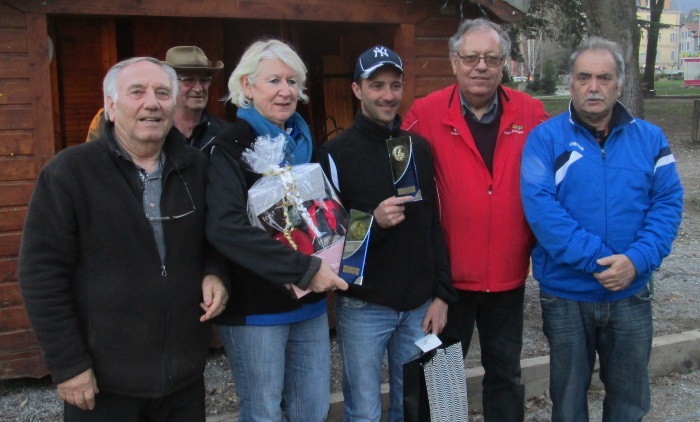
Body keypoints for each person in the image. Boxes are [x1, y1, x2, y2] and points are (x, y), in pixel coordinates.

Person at [18, 57, 229, 421]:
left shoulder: (197, 168)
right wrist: (68, 364)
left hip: (183, 380)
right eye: (137, 92)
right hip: (103, 384)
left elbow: (216, 238)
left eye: (163, 93)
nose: (152, 103)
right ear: (111, 107)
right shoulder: (69, 174)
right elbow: (41, 276)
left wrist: (215, 272)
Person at [520, 37, 684, 421]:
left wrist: (635, 261)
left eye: (604, 78)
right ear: (571, 83)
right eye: (584, 77)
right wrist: (603, 262)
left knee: (629, 402)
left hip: (631, 293)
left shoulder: (651, 139)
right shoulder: (545, 140)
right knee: (569, 402)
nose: (594, 86)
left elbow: (667, 206)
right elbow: (544, 214)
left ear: (620, 85)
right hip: (566, 297)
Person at [401, 18, 548, 421]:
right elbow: (401, 188)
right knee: (443, 379)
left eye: (491, 57)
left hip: (507, 276)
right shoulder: (425, 113)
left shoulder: (531, 112)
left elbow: (555, 185)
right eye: (471, 57)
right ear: (454, 61)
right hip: (449, 284)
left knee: (505, 374)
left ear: (504, 63)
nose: (480, 66)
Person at [205, 39, 348, 421]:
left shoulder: (306, 145)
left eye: (291, 81)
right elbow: (226, 227)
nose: (285, 91)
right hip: (256, 308)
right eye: (273, 81)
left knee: (312, 408)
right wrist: (303, 270)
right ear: (248, 87)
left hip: (310, 303)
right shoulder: (229, 147)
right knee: (264, 412)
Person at [317, 46, 457, 422]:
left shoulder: (417, 148)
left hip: (417, 306)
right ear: (357, 90)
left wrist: (442, 295)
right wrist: (372, 221)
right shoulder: (334, 154)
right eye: (376, 85)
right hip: (364, 306)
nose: (388, 95)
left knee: (411, 406)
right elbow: (329, 247)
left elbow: (432, 224)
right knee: (363, 411)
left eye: (395, 85)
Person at [86, 45, 230, 151]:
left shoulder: (225, 132)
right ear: (170, 83)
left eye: (204, 81)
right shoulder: (146, 126)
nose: (198, 88)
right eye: (188, 80)